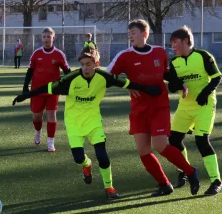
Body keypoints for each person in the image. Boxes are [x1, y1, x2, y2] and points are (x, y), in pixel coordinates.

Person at [13, 47, 161, 198]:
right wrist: (26, 96)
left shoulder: (104, 77)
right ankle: (87, 165)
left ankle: (109, 187)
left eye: (89, 64)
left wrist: (149, 89)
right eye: (83, 64)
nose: (85, 67)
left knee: (102, 156)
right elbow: (48, 87)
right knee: (79, 159)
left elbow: (125, 82)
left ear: (96, 63)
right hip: (74, 123)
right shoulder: (70, 79)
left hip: (93, 121)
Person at [107, 19, 200, 197]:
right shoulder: (124, 55)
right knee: (143, 150)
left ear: (144, 33)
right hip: (138, 109)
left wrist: (180, 84)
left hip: (159, 105)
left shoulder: (158, 52)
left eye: (133, 32)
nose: (130, 36)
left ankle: (190, 171)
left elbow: (167, 73)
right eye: (129, 33)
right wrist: (127, 85)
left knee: (160, 145)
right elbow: (107, 75)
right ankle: (164, 184)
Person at [167, 26, 222, 195]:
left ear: (186, 41)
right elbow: (171, 85)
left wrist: (205, 93)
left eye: (175, 42)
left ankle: (216, 181)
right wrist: (180, 85)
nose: (173, 46)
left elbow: (217, 77)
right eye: (171, 44)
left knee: (201, 140)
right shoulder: (174, 62)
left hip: (204, 105)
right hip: (185, 106)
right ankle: (184, 170)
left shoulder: (203, 56)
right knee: (174, 141)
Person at [23, 27, 71, 152]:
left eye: (48, 37)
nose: (46, 39)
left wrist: (68, 85)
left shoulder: (59, 54)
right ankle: (38, 132)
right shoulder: (36, 53)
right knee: (37, 116)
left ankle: (50, 142)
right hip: (37, 91)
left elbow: (67, 72)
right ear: (41, 38)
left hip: (52, 91)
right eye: (44, 37)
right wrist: (25, 86)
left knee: (51, 115)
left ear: (53, 38)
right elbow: (30, 71)